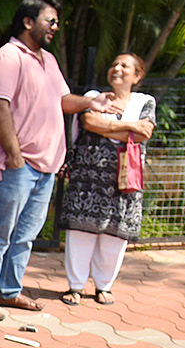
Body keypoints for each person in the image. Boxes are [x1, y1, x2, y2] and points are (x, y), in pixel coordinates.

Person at [0, 0, 115, 321]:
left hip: (44, 168)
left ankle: (7, 292)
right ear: (28, 21)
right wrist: (14, 156)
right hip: (14, 166)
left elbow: (63, 100)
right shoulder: (8, 57)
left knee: (24, 237)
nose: (55, 27)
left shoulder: (47, 60)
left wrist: (93, 103)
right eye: (49, 20)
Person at [59, 53, 155, 305]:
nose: (117, 69)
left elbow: (145, 132)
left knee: (115, 234)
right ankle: (76, 287)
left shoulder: (145, 102)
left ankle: (104, 286)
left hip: (124, 178)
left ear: (138, 75)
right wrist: (129, 127)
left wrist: (110, 126)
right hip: (88, 177)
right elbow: (89, 121)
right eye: (114, 64)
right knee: (81, 231)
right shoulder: (93, 98)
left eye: (125, 66)